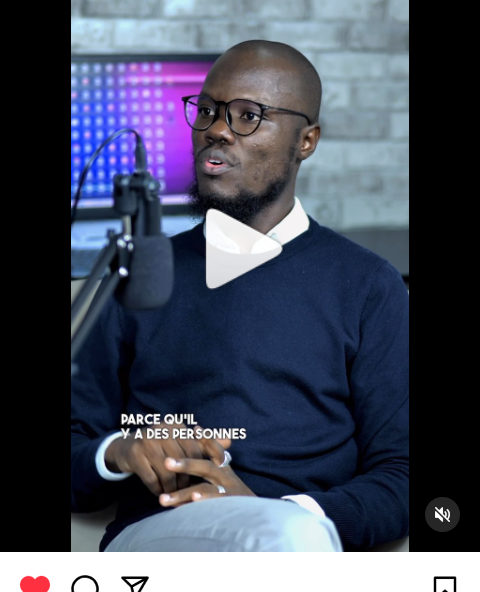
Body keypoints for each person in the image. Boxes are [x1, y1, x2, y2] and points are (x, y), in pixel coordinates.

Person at [71, 39, 409, 552]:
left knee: (287, 536)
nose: (217, 129)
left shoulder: (368, 286)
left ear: (306, 141)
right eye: (207, 110)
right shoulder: (136, 272)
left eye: (249, 115)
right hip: (160, 538)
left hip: (302, 540)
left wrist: (282, 512)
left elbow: (401, 475)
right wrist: (119, 450)